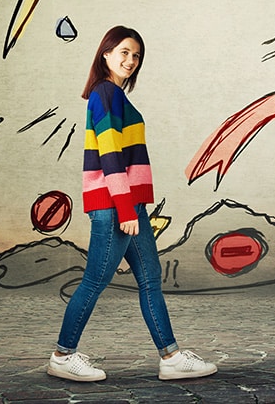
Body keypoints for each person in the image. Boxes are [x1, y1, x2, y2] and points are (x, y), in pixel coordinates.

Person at [47, 26, 217, 382]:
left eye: (136, 55)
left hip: (130, 204)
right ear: (105, 54)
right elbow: (110, 155)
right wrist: (125, 209)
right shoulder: (104, 94)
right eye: (123, 52)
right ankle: (62, 355)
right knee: (95, 280)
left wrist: (133, 207)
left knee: (150, 279)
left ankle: (170, 357)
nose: (130, 60)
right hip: (114, 205)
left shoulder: (116, 97)